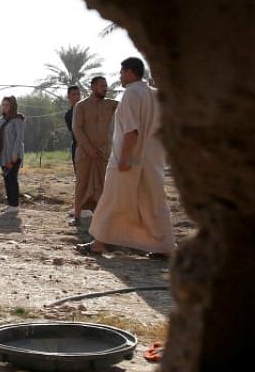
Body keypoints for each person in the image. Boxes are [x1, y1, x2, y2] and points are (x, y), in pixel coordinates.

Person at [79, 58, 174, 257]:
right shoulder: (155, 95)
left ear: (130, 72)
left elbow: (131, 131)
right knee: (154, 204)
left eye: (122, 72)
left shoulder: (131, 94)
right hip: (151, 162)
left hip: (128, 161)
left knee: (112, 201)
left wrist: (124, 158)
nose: (120, 76)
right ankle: (164, 247)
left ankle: (99, 244)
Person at [71, 76, 119, 224]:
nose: (105, 88)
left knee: (103, 186)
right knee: (82, 184)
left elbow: (131, 106)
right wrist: (88, 148)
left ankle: (100, 218)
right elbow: (77, 128)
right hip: (85, 153)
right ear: (92, 87)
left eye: (106, 85)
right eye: (101, 85)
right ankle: (77, 216)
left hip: (103, 153)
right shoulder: (81, 106)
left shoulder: (112, 105)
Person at [0, 96, 26, 214]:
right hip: (3, 156)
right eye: (3, 105)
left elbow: (19, 138)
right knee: (7, 178)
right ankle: (10, 204)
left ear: (12, 106)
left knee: (12, 178)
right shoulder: (1, 120)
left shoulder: (18, 119)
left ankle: (15, 205)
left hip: (13, 156)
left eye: (7, 105)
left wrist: (14, 154)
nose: (5, 107)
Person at [65, 85, 81, 217]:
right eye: (74, 94)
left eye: (78, 94)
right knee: (80, 178)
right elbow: (77, 133)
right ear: (69, 97)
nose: (77, 97)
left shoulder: (88, 109)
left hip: (95, 147)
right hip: (79, 147)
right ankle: (81, 206)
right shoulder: (69, 114)